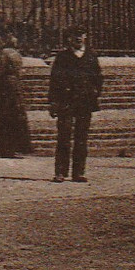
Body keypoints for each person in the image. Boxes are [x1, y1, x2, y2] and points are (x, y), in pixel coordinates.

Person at [49, 29, 103, 183]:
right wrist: (53, 102)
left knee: (81, 138)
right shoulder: (62, 57)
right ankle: (60, 172)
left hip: (84, 102)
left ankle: (78, 172)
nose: (78, 38)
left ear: (85, 37)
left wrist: (95, 94)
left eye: (81, 35)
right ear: (69, 39)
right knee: (64, 137)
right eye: (75, 36)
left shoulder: (91, 56)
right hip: (66, 101)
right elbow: (54, 80)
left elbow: (98, 78)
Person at [0, 33, 32, 158]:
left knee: (1, 117)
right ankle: (14, 148)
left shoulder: (4, 53)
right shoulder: (17, 54)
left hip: (5, 87)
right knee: (15, 117)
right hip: (15, 87)